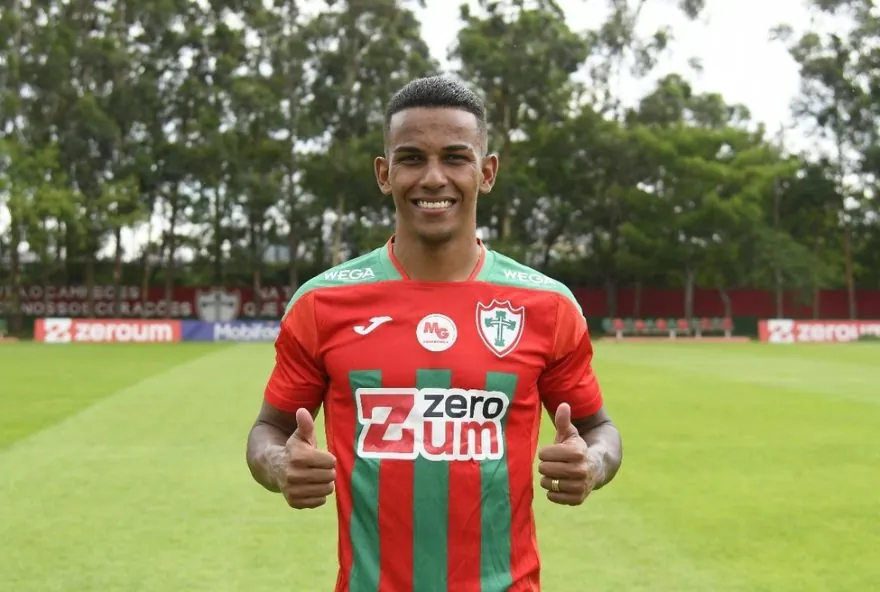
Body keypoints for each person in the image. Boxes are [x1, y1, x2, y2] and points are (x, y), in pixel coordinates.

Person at [245, 75, 623, 592]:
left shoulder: (547, 305)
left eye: (455, 157)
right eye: (411, 159)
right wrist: (278, 463)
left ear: (486, 172)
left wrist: (592, 463)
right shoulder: (322, 303)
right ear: (385, 174)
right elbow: (267, 429)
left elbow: (600, 428)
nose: (433, 177)